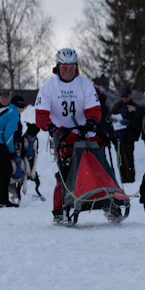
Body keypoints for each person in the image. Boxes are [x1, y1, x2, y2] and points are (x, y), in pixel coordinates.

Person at [34, 47, 102, 223]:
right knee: (65, 172)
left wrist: (91, 121)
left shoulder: (85, 85)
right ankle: (59, 209)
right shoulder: (48, 88)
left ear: (76, 66)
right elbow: (41, 116)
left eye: (71, 66)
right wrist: (52, 129)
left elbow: (94, 109)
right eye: (64, 67)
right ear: (58, 67)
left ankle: (107, 199)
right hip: (62, 137)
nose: (68, 70)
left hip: (84, 134)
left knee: (97, 166)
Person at [111, 87, 138, 183]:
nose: (124, 98)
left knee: (128, 160)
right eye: (122, 96)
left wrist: (129, 123)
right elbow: (110, 115)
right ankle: (123, 179)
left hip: (128, 137)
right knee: (120, 160)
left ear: (130, 95)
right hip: (118, 137)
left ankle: (130, 180)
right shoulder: (117, 105)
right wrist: (111, 119)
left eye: (126, 96)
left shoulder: (134, 107)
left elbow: (139, 122)